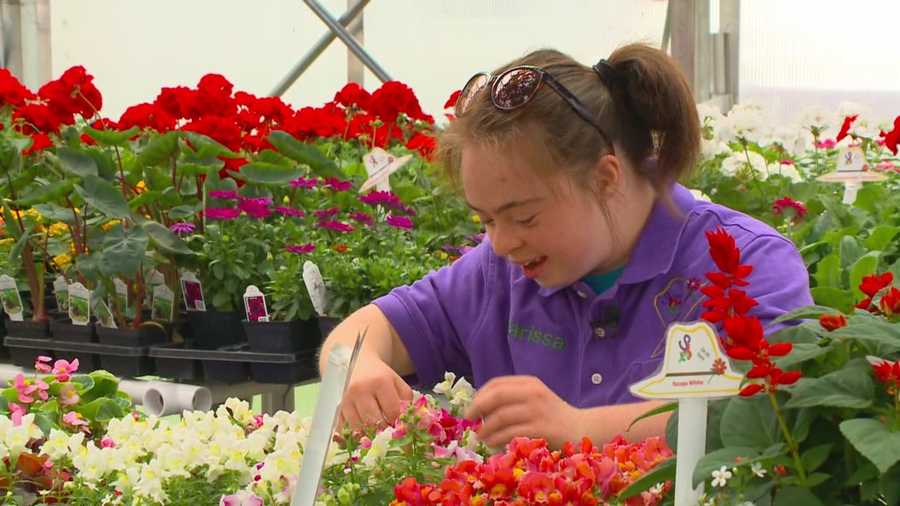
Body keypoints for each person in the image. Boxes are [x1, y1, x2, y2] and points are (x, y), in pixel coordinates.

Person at [318, 43, 812, 449]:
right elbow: (368, 330)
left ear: (605, 177)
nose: (503, 242)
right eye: (486, 219)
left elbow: (772, 412)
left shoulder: (747, 262)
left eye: (523, 215)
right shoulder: (498, 273)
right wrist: (356, 367)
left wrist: (579, 430)